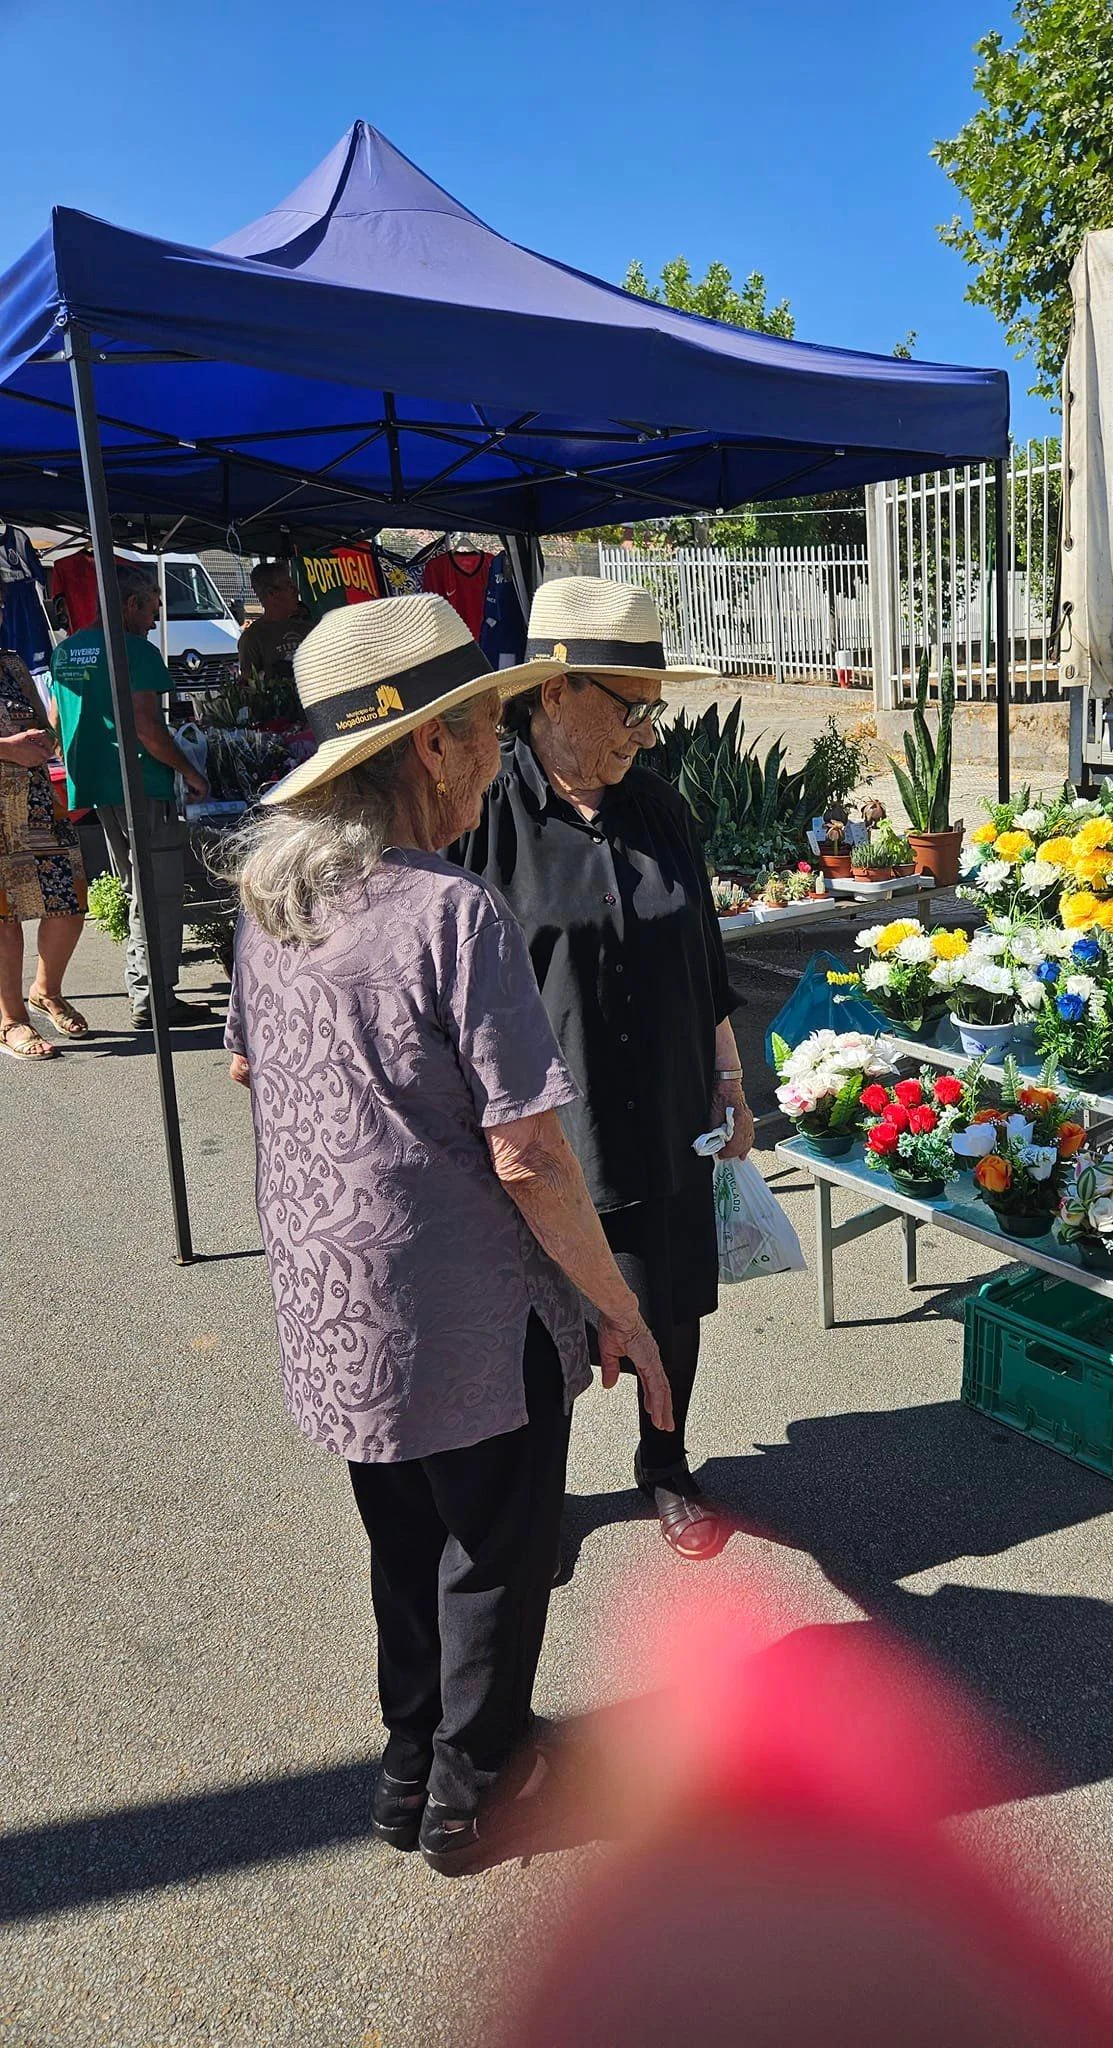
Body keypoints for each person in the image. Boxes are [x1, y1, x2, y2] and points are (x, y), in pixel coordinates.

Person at [223, 592, 672, 1876]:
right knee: (495, 1548)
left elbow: (254, 1072)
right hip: (462, 1313)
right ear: (431, 746)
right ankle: (478, 1786)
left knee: (403, 1536)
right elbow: (529, 1152)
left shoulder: (274, 902)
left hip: (334, 1304)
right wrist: (620, 1310)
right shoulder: (449, 912)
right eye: (485, 726)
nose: (500, 750)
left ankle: (408, 1757)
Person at [455, 576, 754, 1562]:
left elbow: (707, 955)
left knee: (668, 1307)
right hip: (548, 1138)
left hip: (668, 1119)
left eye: (652, 707)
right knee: (542, 1335)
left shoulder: (662, 810)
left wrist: (731, 1083)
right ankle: (537, 1501)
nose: (648, 731)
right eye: (631, 707)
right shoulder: (484, 816)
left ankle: (666, 1463)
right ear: (553, 694)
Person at [50, 562, 210, 1029]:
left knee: (137, 889)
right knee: (157, 893)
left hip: (97, 785)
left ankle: (147, 990)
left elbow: (59, 723)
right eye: (153, 608)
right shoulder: (135, 651)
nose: (156, 620)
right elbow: (147, 729)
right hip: (140, 783)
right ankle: (154, 997)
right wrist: (189, 771)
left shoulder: (69, 651)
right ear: (130, 604)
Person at [0, 649, 88, 1058]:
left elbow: (42, 720)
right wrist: (7, 747)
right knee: (4, 916)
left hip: (34, 800)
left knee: (68, 901)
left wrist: (43, 739)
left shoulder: (11, 662)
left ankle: (45, 992)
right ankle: (11, 1019)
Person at [238, 560, 312, 689]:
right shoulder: (253, 638)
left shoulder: (308, 628)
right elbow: (247, 687)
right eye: (288, 585)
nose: (296, 591)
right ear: (272, 593)